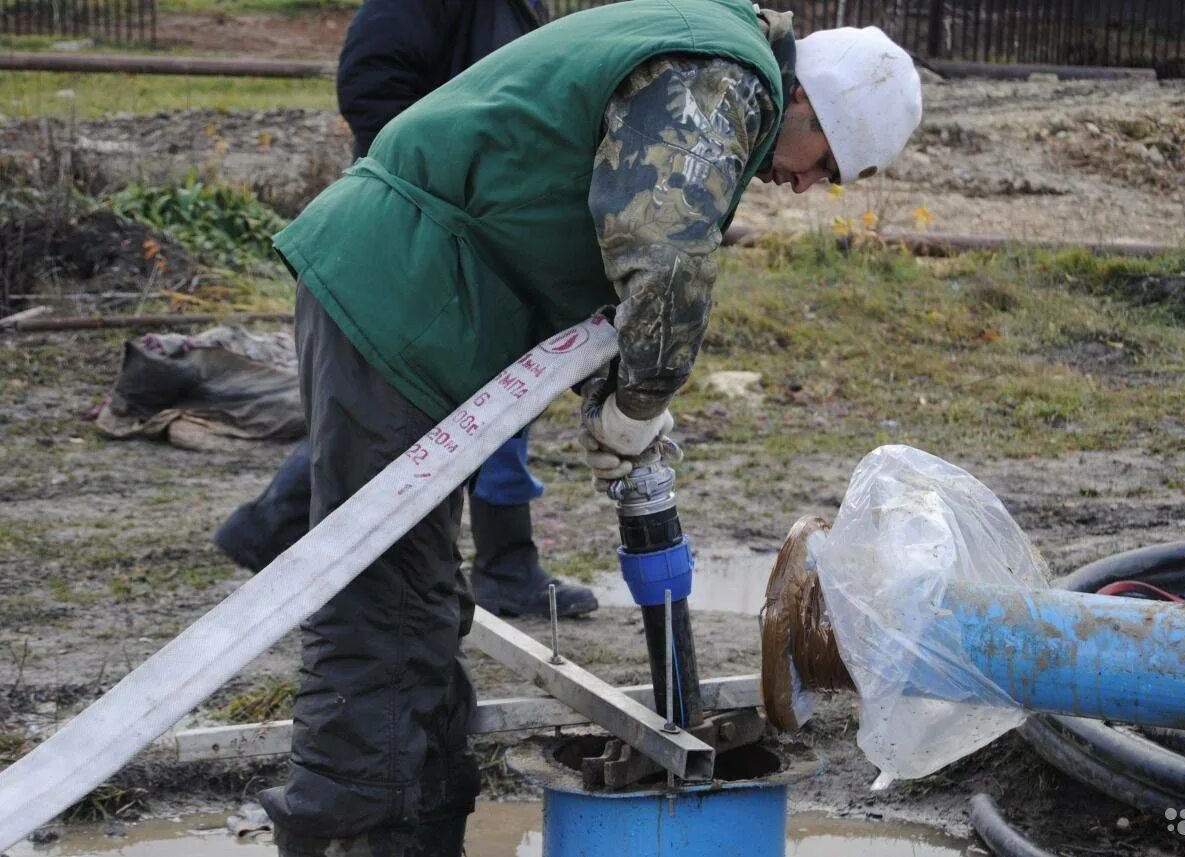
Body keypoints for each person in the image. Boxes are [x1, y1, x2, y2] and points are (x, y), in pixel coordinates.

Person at [258, 2, 923, 855]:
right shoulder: (722, 80)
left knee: (419, 599)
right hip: (397, 298)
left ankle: (420, 825)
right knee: (381, 605)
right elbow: (669, 255)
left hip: (418, 299)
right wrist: (640, 399)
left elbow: (604, 234)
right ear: (811, 108)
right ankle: (351, 834)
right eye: (823, 165)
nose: (801, 187)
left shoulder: (709, 59)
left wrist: (623, 388)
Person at [213, 0, 600, 619]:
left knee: (489, 398)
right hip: (429, 228)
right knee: (415, 404)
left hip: (478, 230)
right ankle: (281, 527)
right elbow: (369, 77)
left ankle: (504, 562)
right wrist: (429, 179)